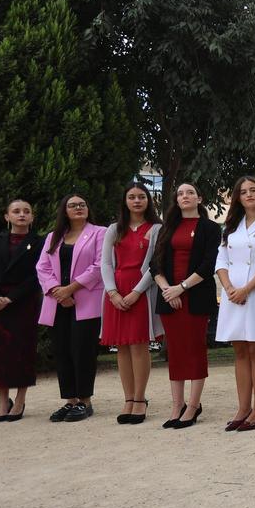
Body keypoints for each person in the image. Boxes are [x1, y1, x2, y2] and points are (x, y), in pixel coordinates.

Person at [151, 183, 220, 429]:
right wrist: (168, 290)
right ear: (176, 200)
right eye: (180, 193)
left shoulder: (211, 228)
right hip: (170, 298)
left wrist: (182, 287)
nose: (185, 196)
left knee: (195, 350)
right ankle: (176, 404)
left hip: (195, 297)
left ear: (199, 198)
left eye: (190, 192)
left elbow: (208, 264)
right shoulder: (167, 228)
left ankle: (193, 405)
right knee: (176, 352)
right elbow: (154, 265)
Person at [215, 176, 255, 431]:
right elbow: (220, 261)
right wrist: (229, 288)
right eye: (243, 191)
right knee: (239, 350)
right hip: (232, 295)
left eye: (253, 190)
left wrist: (246, 289)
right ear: (238, 197)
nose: (249, 194)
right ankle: (242, 408)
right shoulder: (230, 227)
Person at [36, 194, 106, 422]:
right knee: (62, 350)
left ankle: (85, 401)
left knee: (82, 350)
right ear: (64, 211)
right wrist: (58, 291)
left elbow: (99, 266)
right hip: (57, 302)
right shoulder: (53, 237)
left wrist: (71, 289)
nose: (78, 208)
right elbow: (42, 267)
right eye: (73, 205)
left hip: (84, 300)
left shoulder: (99, 233)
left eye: (82, 204)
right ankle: (70, 400)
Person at [100, 182, 163, 425]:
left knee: (139, 346)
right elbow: (105, 263)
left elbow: (155, 263)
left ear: (148, 200)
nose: (137, 201)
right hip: (116, 292)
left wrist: (137, 292)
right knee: (122, 347)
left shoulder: (157, 228)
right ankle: (127, 398)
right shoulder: (114, 229)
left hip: (142, 292)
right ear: (125, 201)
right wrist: (112, 293)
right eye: (131, 197)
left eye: (141, 196)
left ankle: (139, 399)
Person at [0, 199, 44, 422]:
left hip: (24, 301)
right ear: (7, 217)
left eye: (27, 211)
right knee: (0, 352)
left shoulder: (39, 242)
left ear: (32, 217)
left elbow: (38, 274)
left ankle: (20, 399)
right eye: (16, 211)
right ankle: (2, 400)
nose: (22, 215)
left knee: (23, 349)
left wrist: (12, 297)